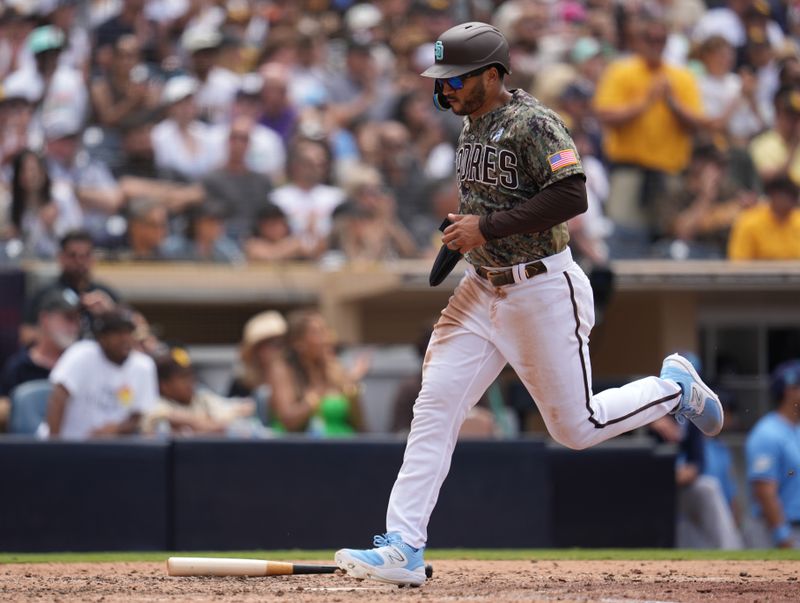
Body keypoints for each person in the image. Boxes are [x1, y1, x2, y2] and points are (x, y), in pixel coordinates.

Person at [335, 21, 724, 587]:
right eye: (441, 81)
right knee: (435, 407)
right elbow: (489, 202)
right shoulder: (471, 125)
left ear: (492, 75)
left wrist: (485, 227)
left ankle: (673, 388)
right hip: (479, 290)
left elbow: (573, 195)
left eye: (455, 79)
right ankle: (403, 547)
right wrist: (464, 231)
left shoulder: (533, 121)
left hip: (541, 288)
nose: (443, 90)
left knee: (576, 427)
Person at [46, 307, 158, 440]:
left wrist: (116, 429)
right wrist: (54, 446)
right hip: (69, 443)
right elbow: (58, 399)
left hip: (111, 450)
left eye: (129, 332)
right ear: (101, 337)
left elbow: (139, 416)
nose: (125, 339)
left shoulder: (144, 366)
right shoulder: (81, 354)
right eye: (117, 333)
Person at [266, 310, 366, 436]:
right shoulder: (282, 370)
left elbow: (358, 421)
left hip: (344, 445)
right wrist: (316, 396)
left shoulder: (333, 369)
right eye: (317, 333)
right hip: (302, 449)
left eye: (326, 330)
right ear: (298, 343)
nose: (326, 338)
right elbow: (289, 420)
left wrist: (348, 383)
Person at [0, 289, 81, 432]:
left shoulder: (82, 366)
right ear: (45, 319)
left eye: (78, 320)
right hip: (31, 450)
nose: (74, 327)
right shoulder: (19, 367)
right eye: (68, 318)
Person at [22, 229, 120, 344]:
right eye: (73, 256)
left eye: (85, 256)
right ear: (61, 257)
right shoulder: (44, 295)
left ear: (93, 259)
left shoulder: (104, 294)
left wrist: (110, 314)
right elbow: (26, 336)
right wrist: (56, 329)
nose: (79, 261)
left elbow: (133, 326)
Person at [744, 359, 800, 548]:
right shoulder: (767, 432)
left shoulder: (796, 429)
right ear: (789, 390)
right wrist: (782, 535)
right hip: (773, 532)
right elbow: (764, 490)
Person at [142, 345, 257, 436]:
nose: (191, 381)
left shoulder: (201, 398)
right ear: (164, 385)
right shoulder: (155, 404)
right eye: (183, 377)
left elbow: (238, 409)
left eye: (191, 375)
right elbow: (167, 417)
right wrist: (206, 424)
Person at [727, 176, 800, 260]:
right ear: (774, 195)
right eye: (788, 197)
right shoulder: (750, 222)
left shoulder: (798, 219)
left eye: (794, 198)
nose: (792, 202)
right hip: (757, 272)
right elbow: (738, 261)